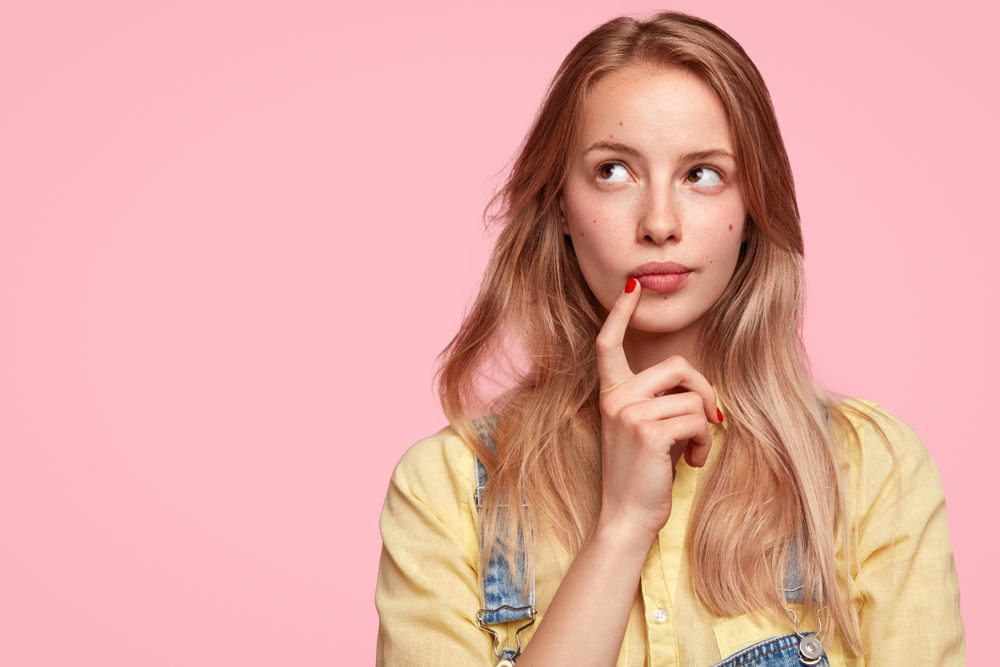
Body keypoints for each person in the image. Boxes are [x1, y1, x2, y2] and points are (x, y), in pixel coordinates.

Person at [375, 12, 964, 667]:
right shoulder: (446, 489)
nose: (659, 223)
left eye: (702, 174)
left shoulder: (869, 469)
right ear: (562, 205)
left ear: (751, 209)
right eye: (613, 171)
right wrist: (620, 527)